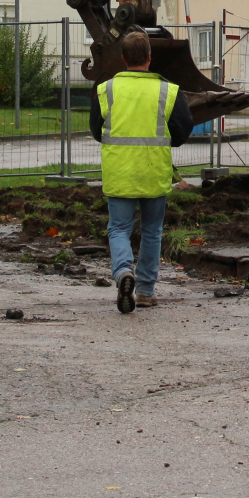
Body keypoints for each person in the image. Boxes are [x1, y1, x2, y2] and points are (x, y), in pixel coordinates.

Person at [89, 30, 193, 313]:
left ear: (123, 58)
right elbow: (183, 130)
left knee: (119, 228)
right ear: (149, 57)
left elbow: (97, 130)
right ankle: (146, 290)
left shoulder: (106, 89)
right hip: (153, 172)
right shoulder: (167, 90)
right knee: (152, 231)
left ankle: (123, 272)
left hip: (119, 171)